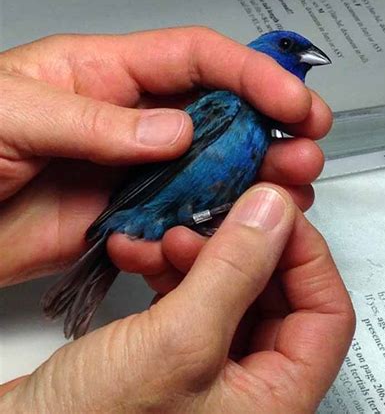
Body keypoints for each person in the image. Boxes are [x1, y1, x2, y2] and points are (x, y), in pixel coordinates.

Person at [0, 27, 355, 412]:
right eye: (288, 47)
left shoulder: (262, 127)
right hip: (153, 196)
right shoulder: (226, 104)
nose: (304, 54)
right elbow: (171, 163)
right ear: (265, 53)